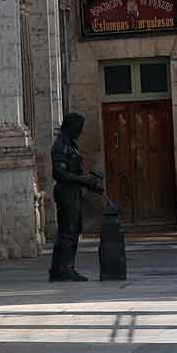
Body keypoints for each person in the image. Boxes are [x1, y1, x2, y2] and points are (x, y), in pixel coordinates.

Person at [49, 112, 105, 282]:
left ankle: (59, 268)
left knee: (69, 231)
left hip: (73, 191)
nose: (81, 132)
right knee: (69, 232)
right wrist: (83, 180)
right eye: (79, 128)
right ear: (71, 126)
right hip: (66, 193)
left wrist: (88, 183)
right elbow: (59, 173)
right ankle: (65, 268)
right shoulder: (61, 146)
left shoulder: (70, 145)